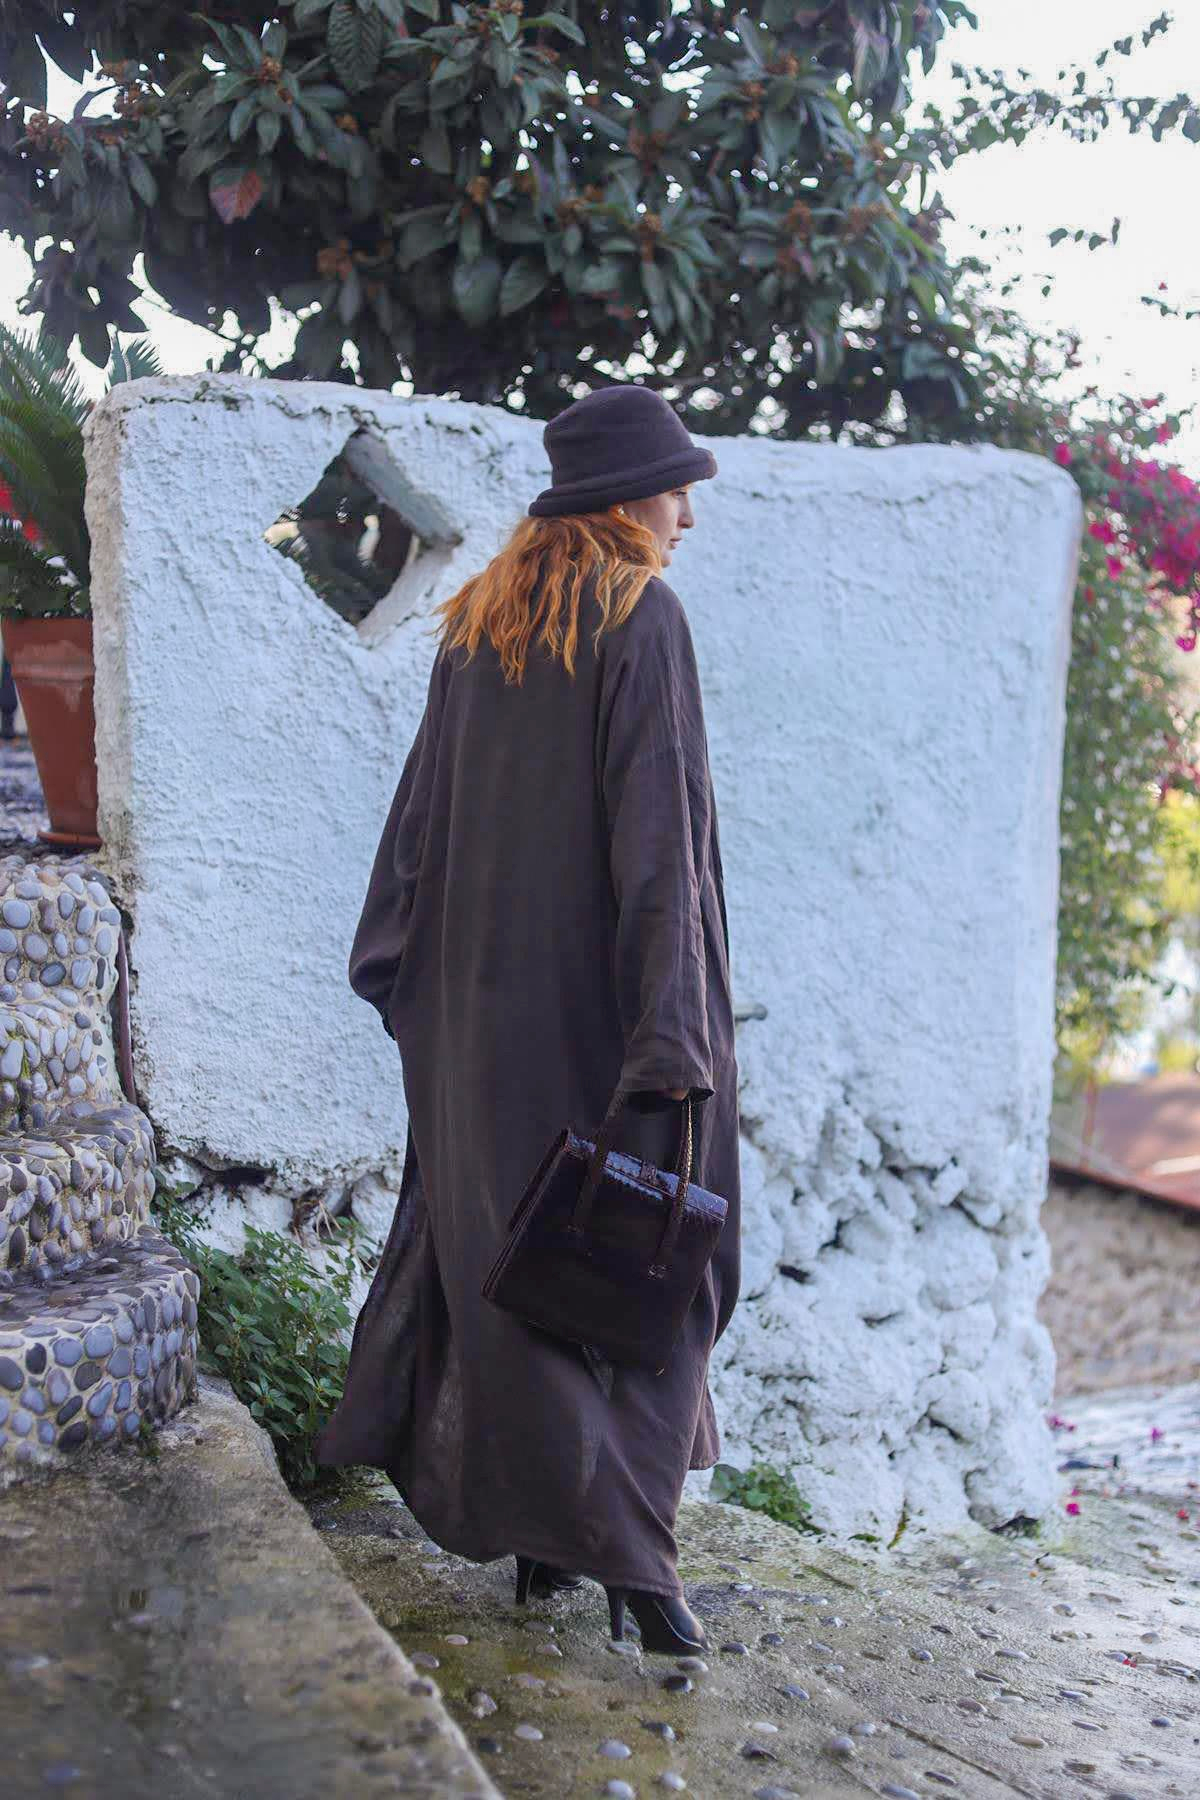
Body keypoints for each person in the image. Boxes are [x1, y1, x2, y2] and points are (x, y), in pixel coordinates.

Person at [315, 384, 741, 1655]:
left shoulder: (480, 624)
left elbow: (414, 835)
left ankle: (553, 1550)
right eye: (676, 492)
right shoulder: (641, 616)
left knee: (517, 1273)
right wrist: (673, 1034)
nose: (685, 518)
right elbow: (661, 840)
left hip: (471, 1027)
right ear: (627, 500)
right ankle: (638, 1572)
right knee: (644, 1269)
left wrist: (410, 989)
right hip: (603, 1022)